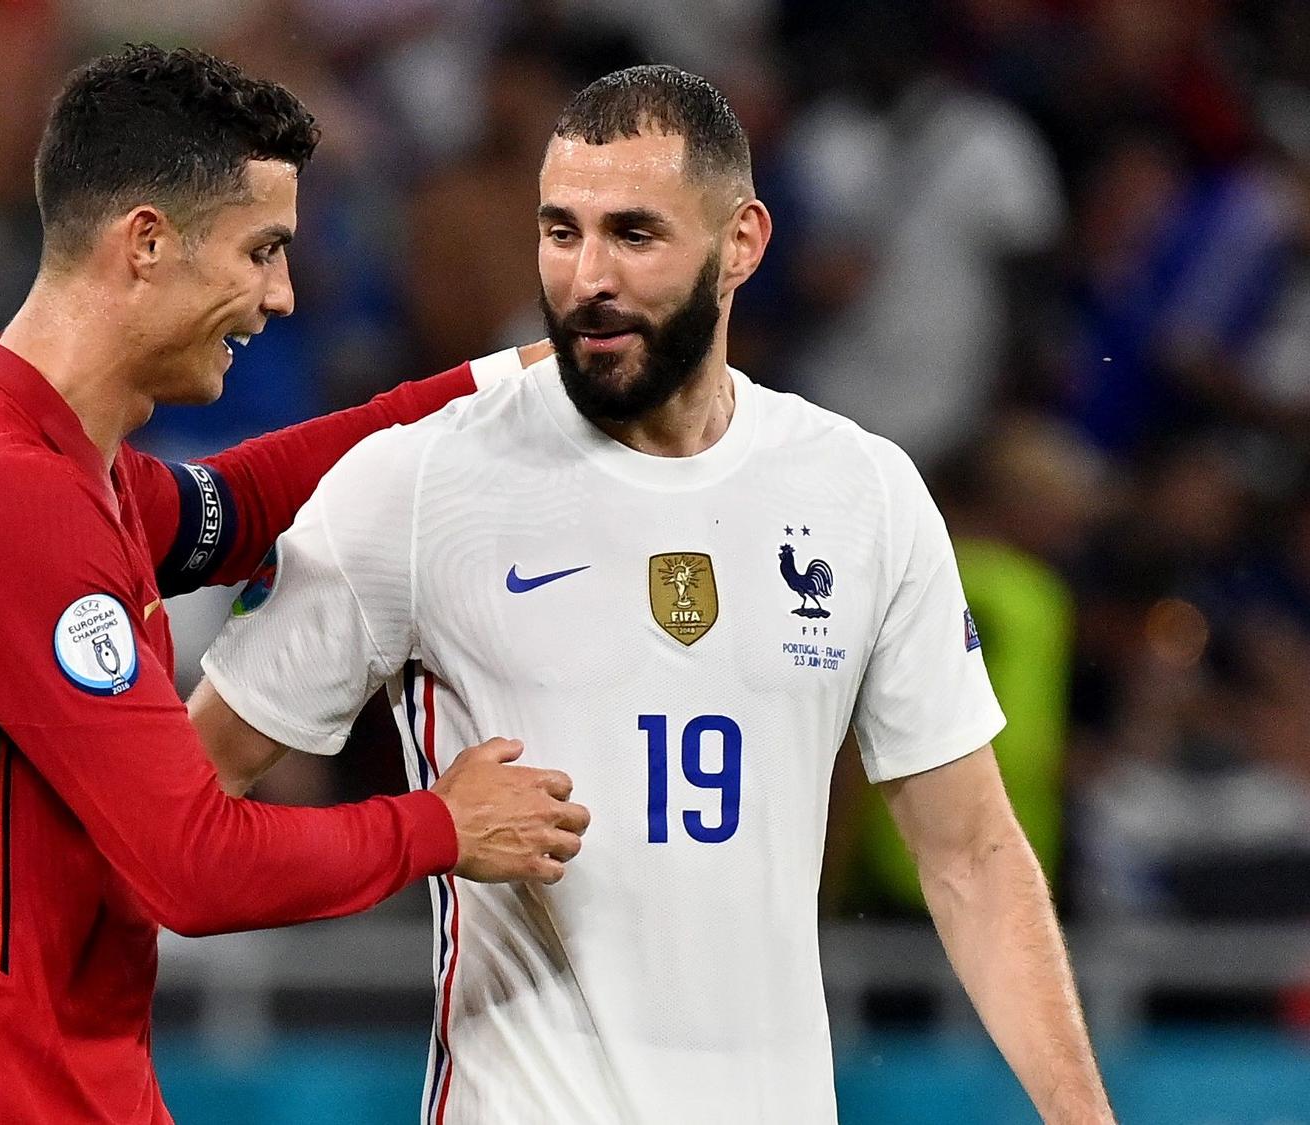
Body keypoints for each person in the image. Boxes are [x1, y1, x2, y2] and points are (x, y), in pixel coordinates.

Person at [192, 65, 1113, 1123]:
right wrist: (416, 832)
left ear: (740, 244)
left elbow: (972, 858)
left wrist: (1082, 1115)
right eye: (559, 230)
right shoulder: (415, 485)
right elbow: (189, 796)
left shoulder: (859, 491)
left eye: (632, 234)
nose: (585, 276)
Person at [0, 46, 589, 1125]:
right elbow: (192, 865)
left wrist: (492, 390)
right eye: (261, 251)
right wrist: (444, 828)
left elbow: (235, 507)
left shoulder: (58, 465)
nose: (281, 294)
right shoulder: (1, 498)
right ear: (146, 243)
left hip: (53, 1087)